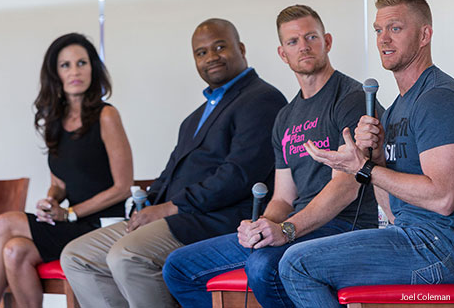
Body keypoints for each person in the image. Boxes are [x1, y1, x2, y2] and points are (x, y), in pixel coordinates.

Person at [60, 18, 287, 308]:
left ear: (241, 48)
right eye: (201, 52)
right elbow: (170, 174)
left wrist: (169, 207)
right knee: (77, 256)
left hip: (216, 219)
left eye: (220, 47)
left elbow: (238, 175)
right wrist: (147, 205)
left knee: (128, 255)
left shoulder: (262, 99)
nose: (211, 57)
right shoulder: (194, 117)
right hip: (175, 216)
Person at [163, 5, 381, 307]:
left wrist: (287, 229)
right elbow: (283, 198)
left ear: (327, 41)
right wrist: (261, 225)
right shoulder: (285, 117)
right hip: (297, 226)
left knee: (263, 265)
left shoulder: (350, 99)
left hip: (342, 226)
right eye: (293, 42)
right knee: (178, 267)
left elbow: (347, 187)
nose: (303, 46)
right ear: (282, 54)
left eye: (311, 37)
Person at [278, 0, 454, 307]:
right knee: (296, 260)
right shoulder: (394, 110)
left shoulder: (438, 98)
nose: (383, 40)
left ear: (424, 35)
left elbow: (444, 198)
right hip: (410, 236)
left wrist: (363, 168)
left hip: (440, 249)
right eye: (378, 31)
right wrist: (375, 157)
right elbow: (393, 214)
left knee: (297, 263)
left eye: (395, 28)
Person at [0, 33, 133, 308]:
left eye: (81, 63)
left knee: (5, 222)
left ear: (92, 69)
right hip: (71, 223)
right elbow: (60, 183)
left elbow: (122, 187)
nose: (75, 71)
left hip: (103, 226)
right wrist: (51, 200)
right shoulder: (55, 122)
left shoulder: (106, 116)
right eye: (66, 65)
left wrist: (70, 213)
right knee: (15, 251)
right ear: (56, 74)